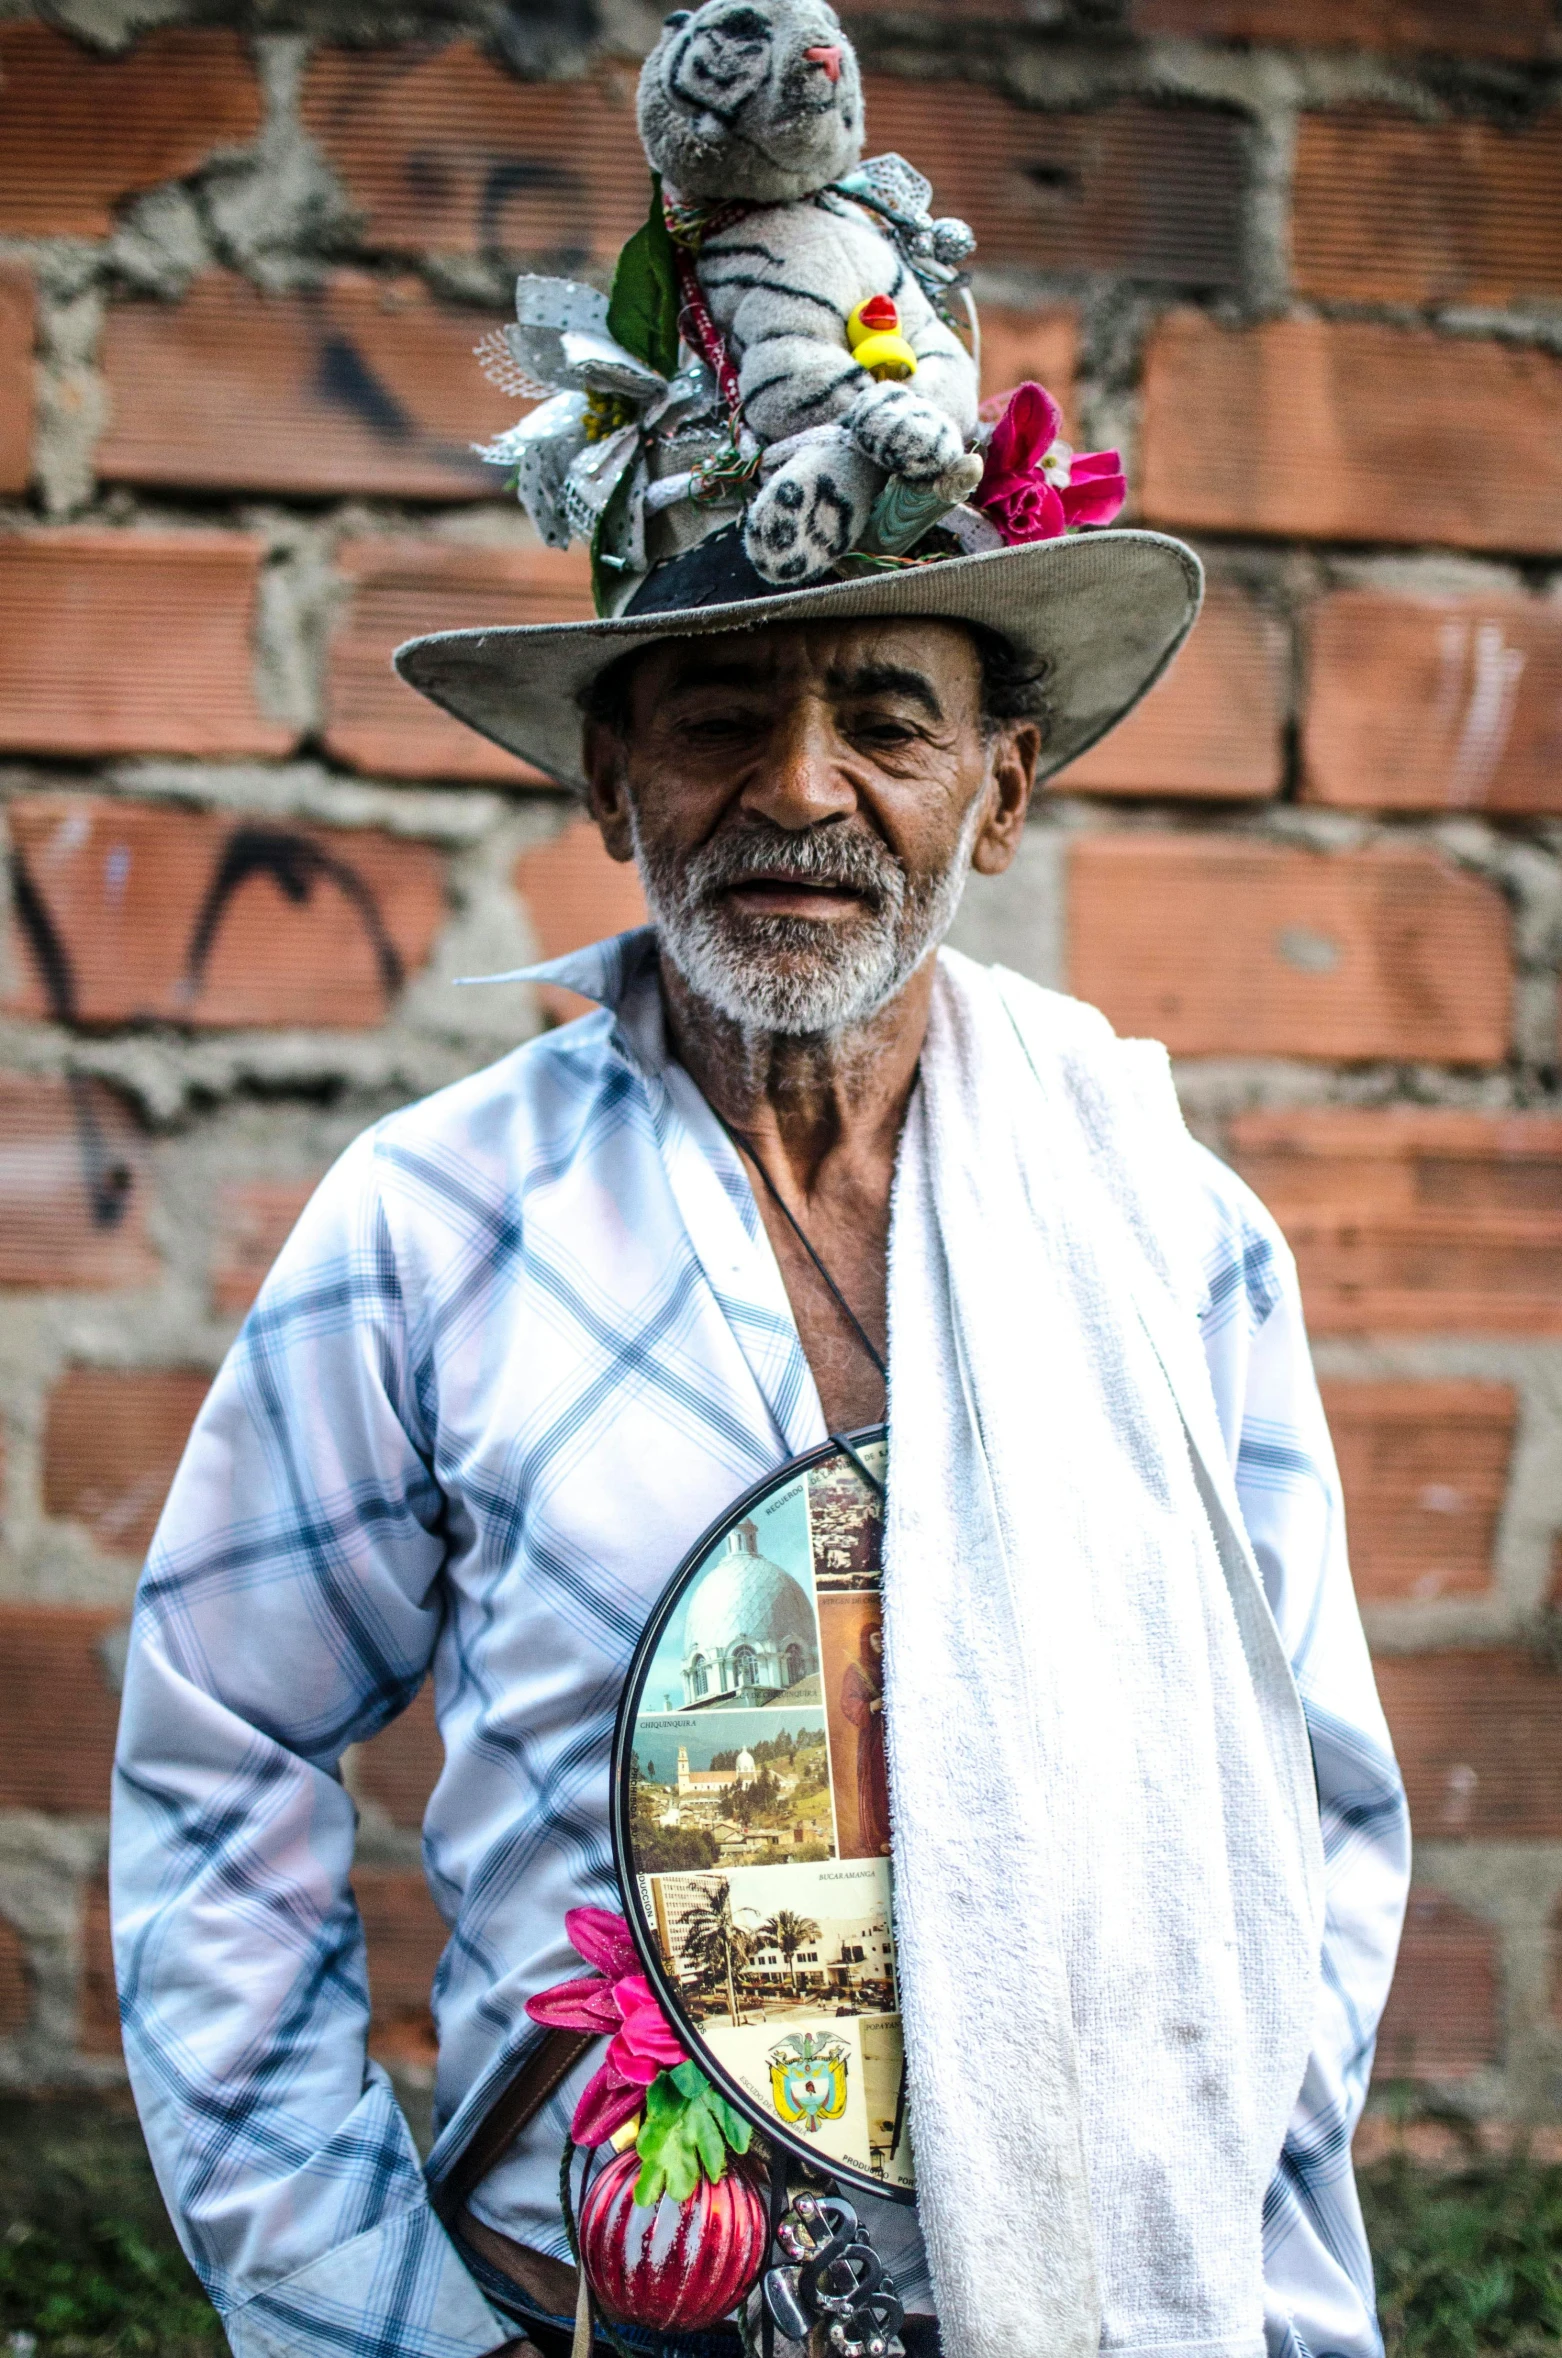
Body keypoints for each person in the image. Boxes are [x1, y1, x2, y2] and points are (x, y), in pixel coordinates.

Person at [110, 16, 1408, 2356]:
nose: (798, 786)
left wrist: (1210, 2219)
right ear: (615, 778)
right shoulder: (432, 1226)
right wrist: (356, 2298)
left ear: (998, 794)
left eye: (886, 714)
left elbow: (1305, 1807)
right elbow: (222, 1752)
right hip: (585, 2305)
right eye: (717, 708)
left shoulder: (1162, 1230)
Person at [839, 1616, 891, 1858]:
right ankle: (881, 1836)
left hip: (896, 1734)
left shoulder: (891, 1663)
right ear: (866, 1642)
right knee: (878, 1784)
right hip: (874, 1738)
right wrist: (872, 1705)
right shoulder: (857, 1670)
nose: (880, 1642)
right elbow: (848, 1703)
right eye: (876, 1638)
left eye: (883, 1637)